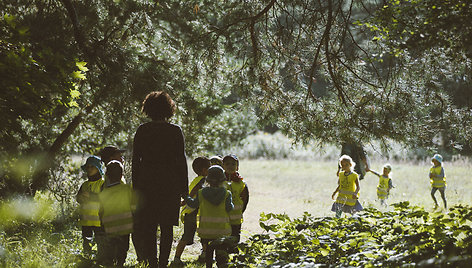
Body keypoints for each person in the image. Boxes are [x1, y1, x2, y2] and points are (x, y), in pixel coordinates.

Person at [132, 91, 188, 268]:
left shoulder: (142, 130)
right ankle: (163, 262)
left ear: (147, 109)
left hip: (146, 181)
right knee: (166, 226)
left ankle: (152, 263)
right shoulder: (175, 131)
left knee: (149, 225)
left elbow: (135, 161)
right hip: (169, 182)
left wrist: (136, 187)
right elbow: (181, 161)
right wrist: (184, 188)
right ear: (169, 109)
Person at [185, 165, 234, 268]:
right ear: (223, 179)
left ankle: (208, 265)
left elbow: (193, 204)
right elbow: (230, 209)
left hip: (206, 231)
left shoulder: (201, 193)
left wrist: (186, 197)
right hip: (222, 231)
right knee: (221, 255)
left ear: (208, 179)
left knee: (208, 254)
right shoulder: (226, 194)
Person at [172, 156, 211, 266]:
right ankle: (203, 255)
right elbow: (194, 192)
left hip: (189, 212)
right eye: (210, 167)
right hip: (194, 212)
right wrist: (186, 200)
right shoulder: (203, 180)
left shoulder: (195, 179)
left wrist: (183, 202)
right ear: (204, 170)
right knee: (202, 234)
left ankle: (177, 258)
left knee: (187, 235)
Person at [98, 160, 134, 267]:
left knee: (111, 244)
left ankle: (110, 261)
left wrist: (101, 221)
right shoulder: (127, 189)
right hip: (125, 224)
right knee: (123, 245)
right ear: (122, 175)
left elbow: (101, 209)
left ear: (107, 175)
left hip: (109, 225)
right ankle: (120, 262)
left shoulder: (104, 192)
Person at [76, 155, 105, 259]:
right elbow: (78, 198)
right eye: (87, 167)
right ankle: (86, 259)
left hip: (99, 221)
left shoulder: (103, 183)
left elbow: (104, 199)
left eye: (91, 167)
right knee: (86, 241)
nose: (89, 169)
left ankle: (101, 260)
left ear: (98, 168)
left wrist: (91, 196)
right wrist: (81, 198)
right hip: (86, 221)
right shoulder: (84, 184)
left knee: (100, 243)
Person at [222, 154, 249, 243]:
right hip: (221, 217)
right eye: (227, 164)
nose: (230, 166)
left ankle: (232, 254)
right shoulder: (218, 181)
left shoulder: (241, 183)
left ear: (237, 167)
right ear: (223, 166)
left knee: (234, 237)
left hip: (236, 218)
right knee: (221, 237)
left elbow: (245, 199)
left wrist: (241, 211)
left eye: (233, 164)